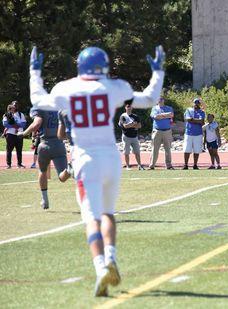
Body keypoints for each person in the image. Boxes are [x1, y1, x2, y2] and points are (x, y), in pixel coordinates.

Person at [29, 44, 165, 295]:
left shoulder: (65, 88)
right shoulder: (113, 87)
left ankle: (101, 267)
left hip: (85, 158)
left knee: (91, 218)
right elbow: (149, 99)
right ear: (104, 66)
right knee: (108, 213)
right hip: (110, 158)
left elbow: (37, 99)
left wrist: (34, 73)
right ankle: (111, 255)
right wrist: (158, 73)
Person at [18, 108, 72, 209]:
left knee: (42, 171)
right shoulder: (59, 108)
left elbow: (37, 123)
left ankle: (45, 200)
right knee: (62, 176)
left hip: (45, 144)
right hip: (59, 145)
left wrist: (24, 133)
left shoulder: (40, 108)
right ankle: (69, 170)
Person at [149, 97, 174, 170]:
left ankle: (168, 165)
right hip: (157, 131)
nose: (159, 100)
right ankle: (152, 165)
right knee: (155, 149)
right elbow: (155, 116)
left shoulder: (169, 108)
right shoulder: (154, 108)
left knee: (168, 149)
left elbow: (171, 115)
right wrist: (166, 115)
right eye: (158, 99)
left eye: (161, 99)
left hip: (167, 131)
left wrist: (161, 116)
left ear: (164, 100)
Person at [118, 102, 144, 170]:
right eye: (127, 106)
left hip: (134, 137)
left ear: (132, 108)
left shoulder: (135, 116)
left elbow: (139, 126)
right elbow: (125, 126)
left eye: (130, 106)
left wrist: (131, 125)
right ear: (125, 108)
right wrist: (133, 124)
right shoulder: (123, 116)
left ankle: (140, 165)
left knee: (137, 152)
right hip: (126, 136)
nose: (129, 108)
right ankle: (127, 166)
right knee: (126, 152)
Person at [2, 102, 26, 168]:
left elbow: (24, 124)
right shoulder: (6, 115)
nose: (15, 106)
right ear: (11, 106)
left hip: (19, 134)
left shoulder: (21, 115)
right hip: (10, 135)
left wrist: (15, 125)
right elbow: (5, 124)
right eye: (14, 105)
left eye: (16, 105)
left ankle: (19, 164)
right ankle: (9, 164)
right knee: (9, 150)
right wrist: (16, 126)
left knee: (19, 150)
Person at [183, 98, 205, 169]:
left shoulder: (201, 111)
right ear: (193, 103)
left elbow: (201, 121)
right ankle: (186, 165)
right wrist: (197, 121)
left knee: (197, 150)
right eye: (195, 102)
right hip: (188, 133)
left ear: (199, 104)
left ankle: (195, 165)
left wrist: (193, 120)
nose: (196, 104)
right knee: (187, 150)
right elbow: (188, 119)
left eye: (197, 102)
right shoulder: (188, 110)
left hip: (198, 133)